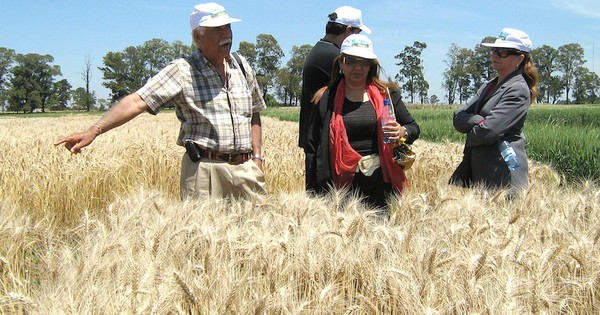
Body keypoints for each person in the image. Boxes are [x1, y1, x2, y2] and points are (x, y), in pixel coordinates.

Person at [54, 3, 267, 200]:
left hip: (246, 169)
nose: (226, 35)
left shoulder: (241, 66)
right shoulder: (182, 70)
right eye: (216, 29)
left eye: (227, 27)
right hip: (206, 172)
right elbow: (138, 100)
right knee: (203, 237)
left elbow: (254, 112)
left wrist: (256, 158)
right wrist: (94, 130)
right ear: (197, 36)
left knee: (259, 233)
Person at [305, 34, 420, 211]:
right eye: (351, 61)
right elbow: (312, 147)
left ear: (371, 65)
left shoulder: (387, 94)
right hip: (340, 186)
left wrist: (402, 131)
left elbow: (413, 128)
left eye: (364, 62)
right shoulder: (326, 98)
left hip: (381, 183)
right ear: (341, 63)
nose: (357, 67)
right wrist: (313, 193)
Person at [450, 28, 539, 197]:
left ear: (520, 58)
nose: (494, 55)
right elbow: (458, 118)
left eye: (502, 52)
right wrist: (478, 120)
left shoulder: (518, 89)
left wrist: (474, 126)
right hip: (481, 175)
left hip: (502, 176)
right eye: (494, 50)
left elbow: (488, 131)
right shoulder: (488, 85)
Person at [298, 6, 371, 190]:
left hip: (318, 138)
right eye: (358, 33)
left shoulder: (321, 50)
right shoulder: (334, 56)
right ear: (348, 31)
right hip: (324, 141)